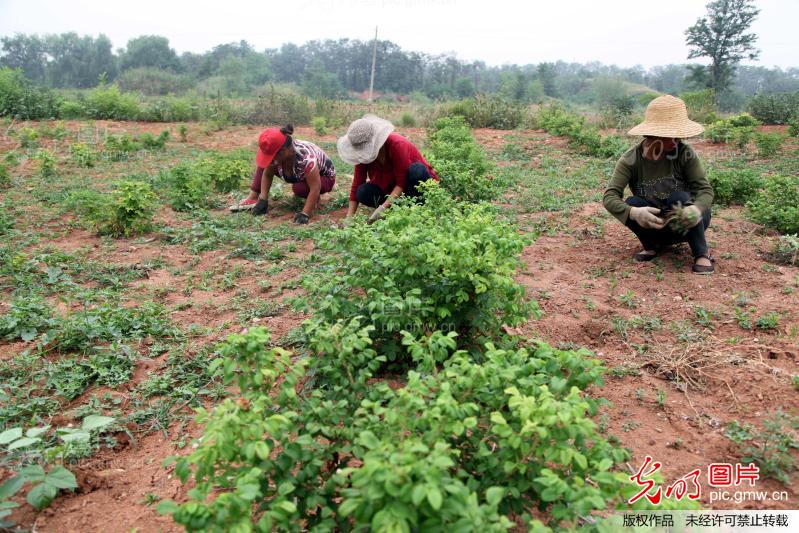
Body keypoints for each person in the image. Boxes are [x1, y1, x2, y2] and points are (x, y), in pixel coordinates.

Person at [603, 95, 715, 274]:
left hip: (688, 223)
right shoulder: (630, 160)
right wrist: (634, 213)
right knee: (633, 203)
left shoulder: (684, 153)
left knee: (679, 197)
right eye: (668, 137)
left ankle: (701, 253)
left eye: (677, 136)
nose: (675, 142)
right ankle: (652, 245)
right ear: (651, 135)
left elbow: (704, 190)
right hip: (652, 224)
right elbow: (609, 197)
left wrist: (696, 209)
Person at [337, 114, 438, 223]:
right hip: (391, 189)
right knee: (362, 192)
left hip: (412, 185)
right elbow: (357, 183)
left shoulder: (397, 145)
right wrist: (349, 217)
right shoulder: (363, 155)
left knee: (417, 170)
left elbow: (401, 183)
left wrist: (382, 208)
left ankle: (417, 208)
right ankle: (397, 208)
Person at [230, 125, 336, 224]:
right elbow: (267, 174)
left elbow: (315, 187)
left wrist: (305, 213)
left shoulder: (306, 158)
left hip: (324, 178)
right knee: (266, 163)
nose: (272, 160)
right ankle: (253, 197)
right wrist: (263, 199)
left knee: (299, 188)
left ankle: (314, 200)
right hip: (298, 173)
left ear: (286, 151)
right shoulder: (279, 158)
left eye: (273, 155)